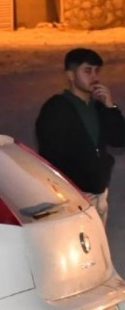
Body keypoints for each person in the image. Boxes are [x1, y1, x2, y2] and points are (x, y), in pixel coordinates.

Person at [35, 48, 125, 222]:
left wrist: (110, 107)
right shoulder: (56, 108)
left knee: (98, 247)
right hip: (75, 196)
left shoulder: (98, 107)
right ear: (71, 75)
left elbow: (119, 139)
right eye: (87, 71)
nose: (94, 77)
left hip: (99, 193)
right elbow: (51, 155)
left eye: (96, 71)